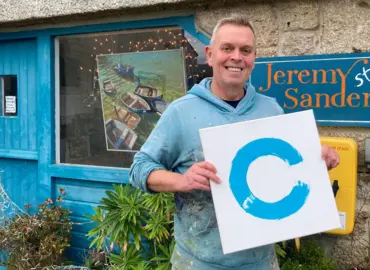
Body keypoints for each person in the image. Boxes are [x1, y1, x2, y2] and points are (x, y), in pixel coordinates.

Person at [129, 15, 340, 270]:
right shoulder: (180, 112)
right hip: (198, 262)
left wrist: (314, 163)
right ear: (209, 54)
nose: (236, 57)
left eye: (245, 50)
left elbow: (281, 171)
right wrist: (182, 181)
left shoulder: (271, 109)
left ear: (253, 58)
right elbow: (139, 168)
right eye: (227, 48)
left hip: (261, 262)